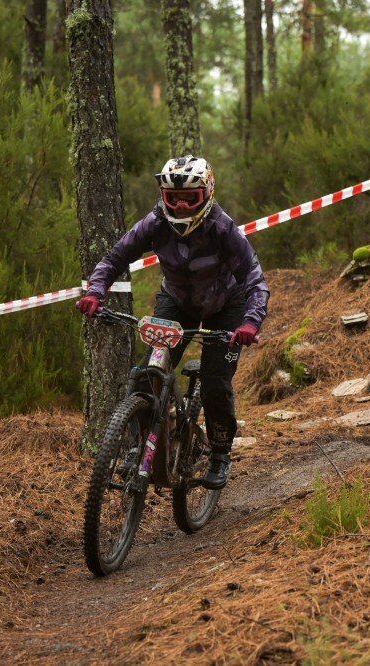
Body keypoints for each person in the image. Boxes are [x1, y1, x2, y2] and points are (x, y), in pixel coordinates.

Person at [75, 155, 268, 490]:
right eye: (172, 198)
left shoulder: (223, 229)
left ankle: (220, 453)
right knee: (148, 374)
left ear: (206, 194)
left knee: (214, 384)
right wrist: (96, 289)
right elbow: (115, 257)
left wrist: (250, 323)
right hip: (177, 302)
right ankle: (139, 446)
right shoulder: (154, 223)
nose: (179, 206)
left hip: (227, 306)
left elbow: (255, 280)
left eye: (188, 198)